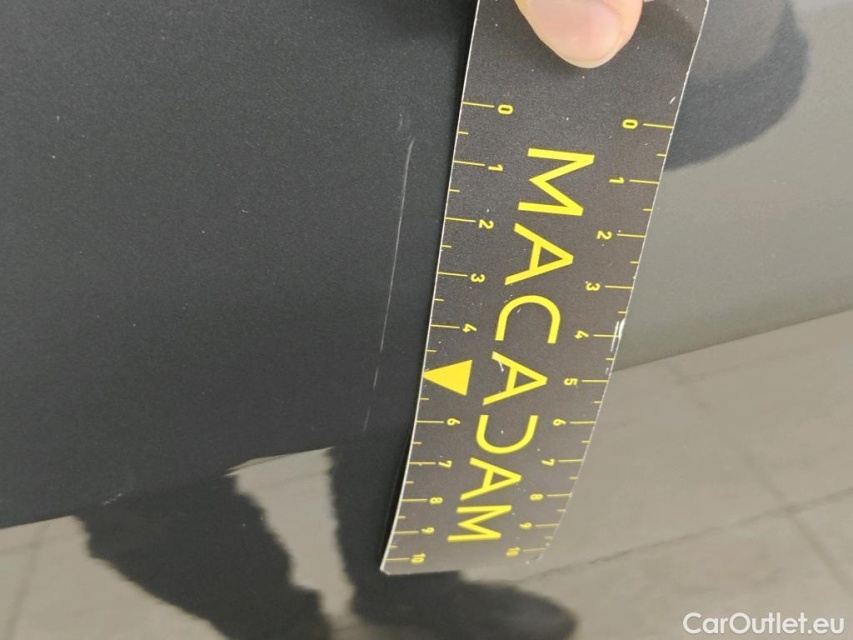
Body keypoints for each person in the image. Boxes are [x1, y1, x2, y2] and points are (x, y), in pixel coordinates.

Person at [76, 3, 645, 640]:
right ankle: (277, 630)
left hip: (334, 112)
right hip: (62, 191)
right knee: (128, 473)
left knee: (407, 407)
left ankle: (408, 596)